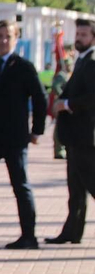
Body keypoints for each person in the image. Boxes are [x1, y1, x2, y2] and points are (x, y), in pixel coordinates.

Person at [0, 20, 47, 249]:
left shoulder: (23, 66)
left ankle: (29, 236)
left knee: (21, 186)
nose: (3, 41)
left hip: (16, 138)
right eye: (0, 36)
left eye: (8, 36)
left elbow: (40, 99)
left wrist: (37, 130)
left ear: (16, 39)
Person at [48, 18, 95, 244]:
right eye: (78, 34)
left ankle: (72, 232)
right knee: (76, 190)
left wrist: (66, 104)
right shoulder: (82, 59)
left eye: (84, 35)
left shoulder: (93, 61)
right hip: (76, 136)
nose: (79, 38)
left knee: (90, 183)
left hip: (87, 137)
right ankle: (72, 232)